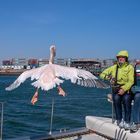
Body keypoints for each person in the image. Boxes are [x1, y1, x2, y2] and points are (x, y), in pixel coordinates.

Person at [100, 50, 134, 130]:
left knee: (126, 100)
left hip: (127, 90)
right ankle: (119, 120)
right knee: (116, 99)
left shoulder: (130, 68)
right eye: (119, 57)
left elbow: (131, 81)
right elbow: (102, 74)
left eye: (122, 57)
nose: (120, 59)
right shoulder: (114, 67)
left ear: (126, 58)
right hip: (116, 89)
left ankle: (127, 121)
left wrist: (124, 88)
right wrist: (108, 78)